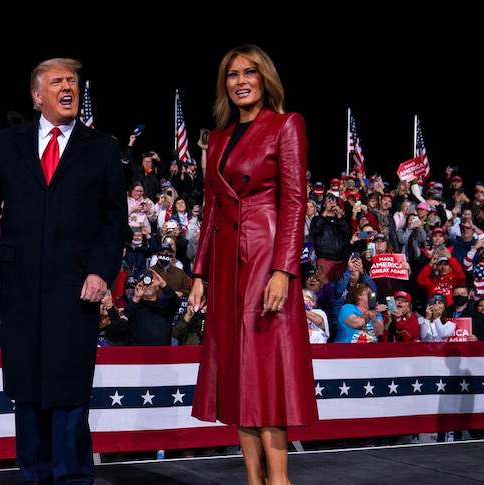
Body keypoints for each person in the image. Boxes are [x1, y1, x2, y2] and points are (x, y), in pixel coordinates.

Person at [0, 57, 128, 485]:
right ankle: (35, 476)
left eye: (72, 81)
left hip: (77, 287)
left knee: (69, 386)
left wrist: (100, 271)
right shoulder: (7, 143)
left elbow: (116, 222)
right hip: (20, 285)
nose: (67, 87)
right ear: (38, 96)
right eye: (57, 81)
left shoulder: (102, 147)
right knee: (27, 386)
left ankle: (73, 478)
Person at [186, 44, 317, 485]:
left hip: (264, 256)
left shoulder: (286, 125)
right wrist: (200, 274)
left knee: (265, 369)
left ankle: (279, 481)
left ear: (265, 80)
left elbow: (296, 201)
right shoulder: (218, 136)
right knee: (236, 371)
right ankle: (252, 479)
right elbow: (210, 209)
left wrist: (284, 269)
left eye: (249, 72)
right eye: (232, 74)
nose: (240, 80)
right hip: (224, 263)